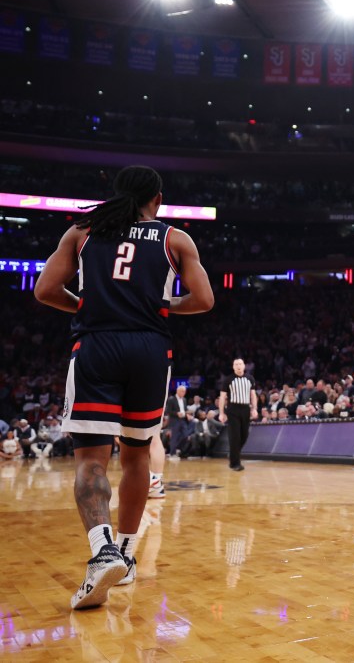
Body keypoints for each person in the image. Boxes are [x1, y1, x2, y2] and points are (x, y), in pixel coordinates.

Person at [34, 165, 213, 610]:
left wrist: (84, 304)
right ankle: (127, 555)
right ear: (157, 199)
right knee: (136, 456)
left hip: (97, 345)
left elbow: (44, 289)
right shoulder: (175, 239)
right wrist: (160, 306)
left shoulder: (82, 231)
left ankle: (103, 550)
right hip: (151, 350)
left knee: (91, 458)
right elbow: (205, 299)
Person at [217, 358, 258, 471]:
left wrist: (254, 408)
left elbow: (253, 395)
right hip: (233, 409)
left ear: (244, 366)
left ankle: (233, 454)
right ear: (233, 367)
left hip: (245, 408)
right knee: (235, 436)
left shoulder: (250, 378)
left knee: (244, 435)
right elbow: (222, 397)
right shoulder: (228, 380)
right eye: (236, 364)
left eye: (240, 364)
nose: (238, 366)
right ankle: (235, 463)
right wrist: (221, 413)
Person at [165, 385, 190, 458]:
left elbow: (184, 410)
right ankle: (172, 454)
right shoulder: (171, 399)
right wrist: (176, 413)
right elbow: (168, 411)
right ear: (177, 391)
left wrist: (187, 414)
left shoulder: (184, 399)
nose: (184, 393)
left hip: (182, 420)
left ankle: (177, 448)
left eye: (185, 391)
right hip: (174, 420)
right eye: (182, 391)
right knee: (174, 437)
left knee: (186, 436)